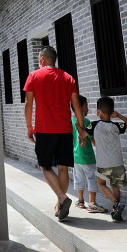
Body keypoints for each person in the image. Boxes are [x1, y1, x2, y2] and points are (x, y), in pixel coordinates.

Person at [24, 45, 86, 220]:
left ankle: (63, 198)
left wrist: (29, 126)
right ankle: (60, 205)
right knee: (63, 167)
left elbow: (28, 103)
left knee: (45, 167)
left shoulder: (34, 76)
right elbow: (77, 106)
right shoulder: (68, 77)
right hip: (65, 129)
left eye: (39, 58)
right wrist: (81, 130)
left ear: (43, 59)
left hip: (45, 129)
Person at [90, 96, 127, 222]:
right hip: (118, 162)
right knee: (115, 186)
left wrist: (85, 135)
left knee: (101, 183)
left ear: (99, 111)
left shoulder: (94, 125)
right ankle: (117, 212)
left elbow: (84, 134)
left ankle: (116, 204)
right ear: (111, 111)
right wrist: (118, 115)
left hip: (104, 163)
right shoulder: (116, 125)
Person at [72, 95, 107, 213]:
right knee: (92, 178)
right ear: (79, 108)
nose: (87, 109)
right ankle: (92, 203)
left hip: (76, 157)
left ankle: (81, 201)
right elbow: (92, 139)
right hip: (87, 157)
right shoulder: (86, 121)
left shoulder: (70, 121)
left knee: (79, 178)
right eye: (86, 106)